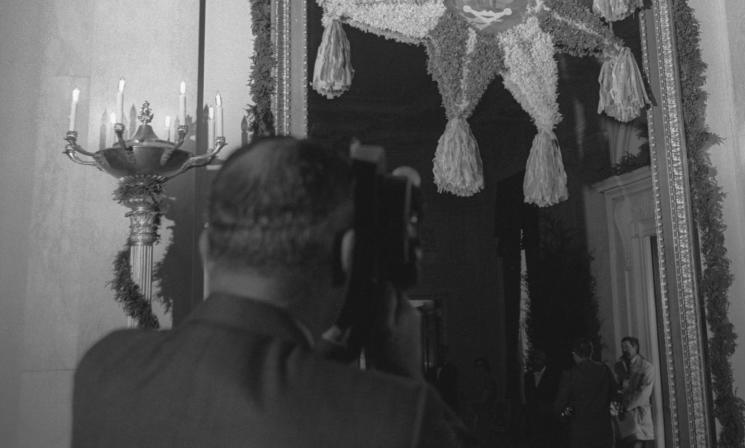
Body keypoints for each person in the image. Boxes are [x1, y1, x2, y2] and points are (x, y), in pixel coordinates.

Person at [71, 136, 472, 448]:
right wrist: (402, 374)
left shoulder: (106, 366)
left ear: (207, 250)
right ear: (348, 255)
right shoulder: (396, 416)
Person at [554, 338, 618, 448]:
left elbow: (559, 405)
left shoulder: (570, 375)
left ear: (574, 354)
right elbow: (615, 394)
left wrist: (563, 416)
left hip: (580, 433)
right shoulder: (604, 369)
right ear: (591, 352)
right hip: (604, 429)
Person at [612, 336, 655, 448]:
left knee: (637, 442)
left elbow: (644, 394)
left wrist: (627, 405)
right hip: (623, 417)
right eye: (622, 347)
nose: (624, 350)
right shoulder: (619, 366)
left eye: (626, 347)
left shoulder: (646, 367)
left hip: (639, 415)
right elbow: (615, 388)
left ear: (635, 347)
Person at [523, 348, 560, 448]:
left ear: (544, 360)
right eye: (535, 359)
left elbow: (555, 394)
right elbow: (527, 394)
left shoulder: (552, 376)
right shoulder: (528, 376)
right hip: (532, 415)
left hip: (547, 415)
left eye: (539, 359)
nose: (536, 361)